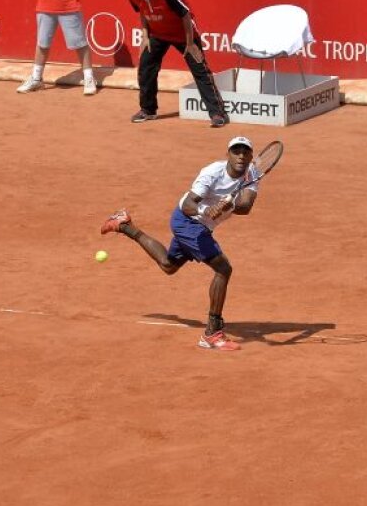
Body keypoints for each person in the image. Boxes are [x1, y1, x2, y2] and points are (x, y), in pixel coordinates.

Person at [100, 136, 262, 350]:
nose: (241, 156)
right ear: (228, 155)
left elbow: (245, 206)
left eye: (245, 152)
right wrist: (207, 211)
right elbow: (188, 205)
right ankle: (212, 333)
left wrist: (227, 205)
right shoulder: (212, 172)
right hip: (187, 221)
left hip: (203, 227)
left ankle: (124, 225)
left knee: (168, 265)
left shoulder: (253, 174)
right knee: (223, 268)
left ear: (251, 156)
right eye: (236, 151)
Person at [126, 0, 229, 127]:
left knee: (200, 71)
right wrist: (145, 36)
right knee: (146, 68)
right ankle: (148, 110)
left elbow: (186, 15)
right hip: (158, 34)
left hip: (184, 35)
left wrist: (189, 44)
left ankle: (217, 113)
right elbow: (143, 12)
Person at [16, 0, 97, 96]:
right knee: (42, 43)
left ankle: (89, 78)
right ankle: (36, 78)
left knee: (80, 43)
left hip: (69, 4)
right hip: (45, 4)